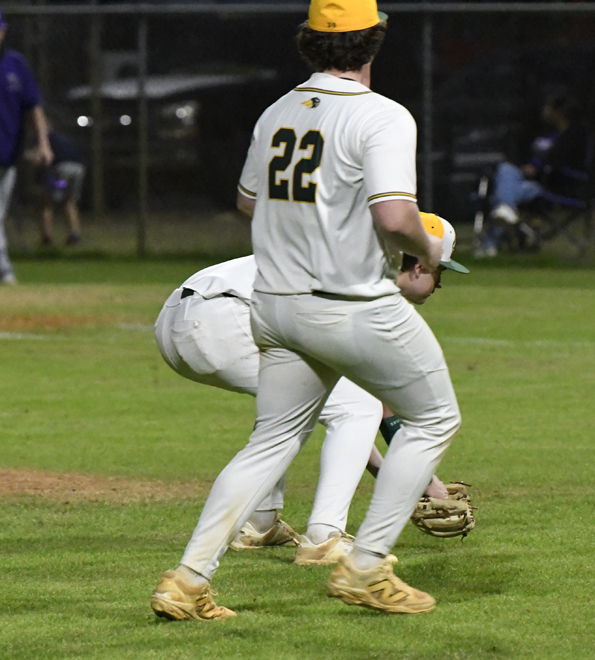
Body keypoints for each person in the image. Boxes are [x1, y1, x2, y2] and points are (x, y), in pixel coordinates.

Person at [150, 0, 461, 620]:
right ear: (372, 43)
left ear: (308, 45)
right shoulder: (382, 115)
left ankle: (186, 581)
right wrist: (425, 257)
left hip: (273, 306)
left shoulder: (278, 111)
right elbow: (395, 217)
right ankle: (365, 566)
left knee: (271, 440)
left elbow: (247, 203)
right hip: (346, 303)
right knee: (434, 420)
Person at [153, 213, 467, 564]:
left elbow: (367, 395)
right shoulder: (368, 285)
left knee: (295, 408)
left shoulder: (353, 255)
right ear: (420, 265)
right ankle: (324, 536)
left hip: (182, 316)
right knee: (353, 408)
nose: (439, 283)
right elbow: (372, 403)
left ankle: (260, 522)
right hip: (223, 317)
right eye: (441, 271)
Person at [475, 91, 592, 256]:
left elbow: (564, 164)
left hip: (552, 186)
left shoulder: (574, 136)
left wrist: (540, 170)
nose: (544, 111)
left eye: (548, 107)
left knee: (502, 198)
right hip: (531, 182)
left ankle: (491, 242)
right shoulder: (545, 133)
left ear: (559, 111)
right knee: (506, 169)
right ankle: (506, 213)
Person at [0, 7, 53, 284]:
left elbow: (34, 107)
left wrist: (43, 143)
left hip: (7, 154)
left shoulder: (15, 64)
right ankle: (4, 269)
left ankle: (4, 268)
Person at [37, 128, 85, 248]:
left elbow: (39, 156)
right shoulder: (62, 138)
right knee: (69, 201)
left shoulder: (43, 137)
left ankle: (46, 238)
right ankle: (74, 235)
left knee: (47, 202)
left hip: (61, 169)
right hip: (78, 169)